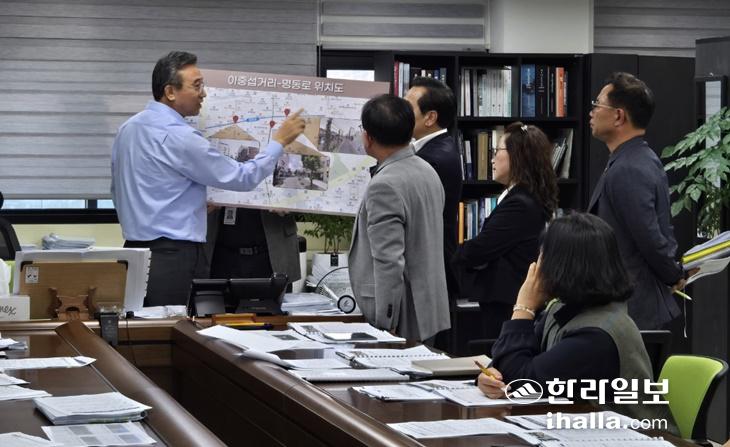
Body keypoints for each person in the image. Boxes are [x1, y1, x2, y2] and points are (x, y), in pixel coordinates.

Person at [111, 51, 305, 306]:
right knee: (174, 326)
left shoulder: (128, 129)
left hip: (133, 251)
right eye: (197, 86)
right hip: (171, 257)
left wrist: (192, 203)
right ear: (170, 92)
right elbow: (242, 177)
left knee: (143, 326)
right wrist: (279, 141)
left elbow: (120, 190)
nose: (203, 94)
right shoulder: (180, 136)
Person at [477, 213, 676, 426]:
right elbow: (511, 368)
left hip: (638, 436)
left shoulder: (597, 336)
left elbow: (522, 384)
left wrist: (523, 308)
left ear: (561, 266)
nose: (537, 266)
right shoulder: (563, 310)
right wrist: (490, 378)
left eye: (543, 256)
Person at [588, 72, 686, 329]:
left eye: (597, 104)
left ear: (619, 116)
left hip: (633, 309)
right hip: (628, 306)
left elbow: (650, 236)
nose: (592, 112)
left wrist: (674, 274)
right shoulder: (636, 158)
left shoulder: (628, 167)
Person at [348, 94, 449, 342]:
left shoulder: (384, 185)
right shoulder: (427, 171)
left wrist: (387, 320)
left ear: (368, 137)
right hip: (427, 309)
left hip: (401, 316)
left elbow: (388, 260)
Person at [452, 122, 558, 341]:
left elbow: (482, 248)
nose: (492, 159)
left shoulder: (520, 204)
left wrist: (450, 253)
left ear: (517, 156)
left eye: (497, 151)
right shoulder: (522, 196)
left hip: (508, 304)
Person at [404, 77, 462, 300]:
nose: (401, 114)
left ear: (430, 118)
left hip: (429, 268)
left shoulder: (433, 158)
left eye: (408, 108)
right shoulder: (433, 148)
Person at [206, 208, 300, 284]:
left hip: (274, 254)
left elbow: (304, 196)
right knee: (219, 300)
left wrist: (290, 203)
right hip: (221, 255)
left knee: (276, 301)